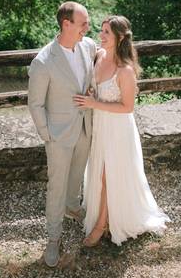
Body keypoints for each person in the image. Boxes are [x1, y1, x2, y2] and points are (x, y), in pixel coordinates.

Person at [73, 15, 170, 246]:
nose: (101, 35)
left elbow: (127, 107)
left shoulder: (125, 70)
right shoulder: (99, 55)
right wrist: (91, 96)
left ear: (119, 37)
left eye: (107, 32)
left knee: (108, 175)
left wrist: (94, 104)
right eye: (102, 30)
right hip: (100, 125)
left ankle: (101, 226)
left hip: (117, 128)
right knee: (98, 173)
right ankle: (103, 216)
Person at [27, 2, 97, 268]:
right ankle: (53, 238)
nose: (87, 28)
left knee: (78, 173)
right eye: (83, 23)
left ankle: (72, 205)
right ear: (66, 24)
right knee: (55, 186)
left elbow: (95, 76)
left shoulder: (88, 46)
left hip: (84, 127)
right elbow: (35, 104)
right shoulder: (44, 61)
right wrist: (48, 136)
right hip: (58, 134)